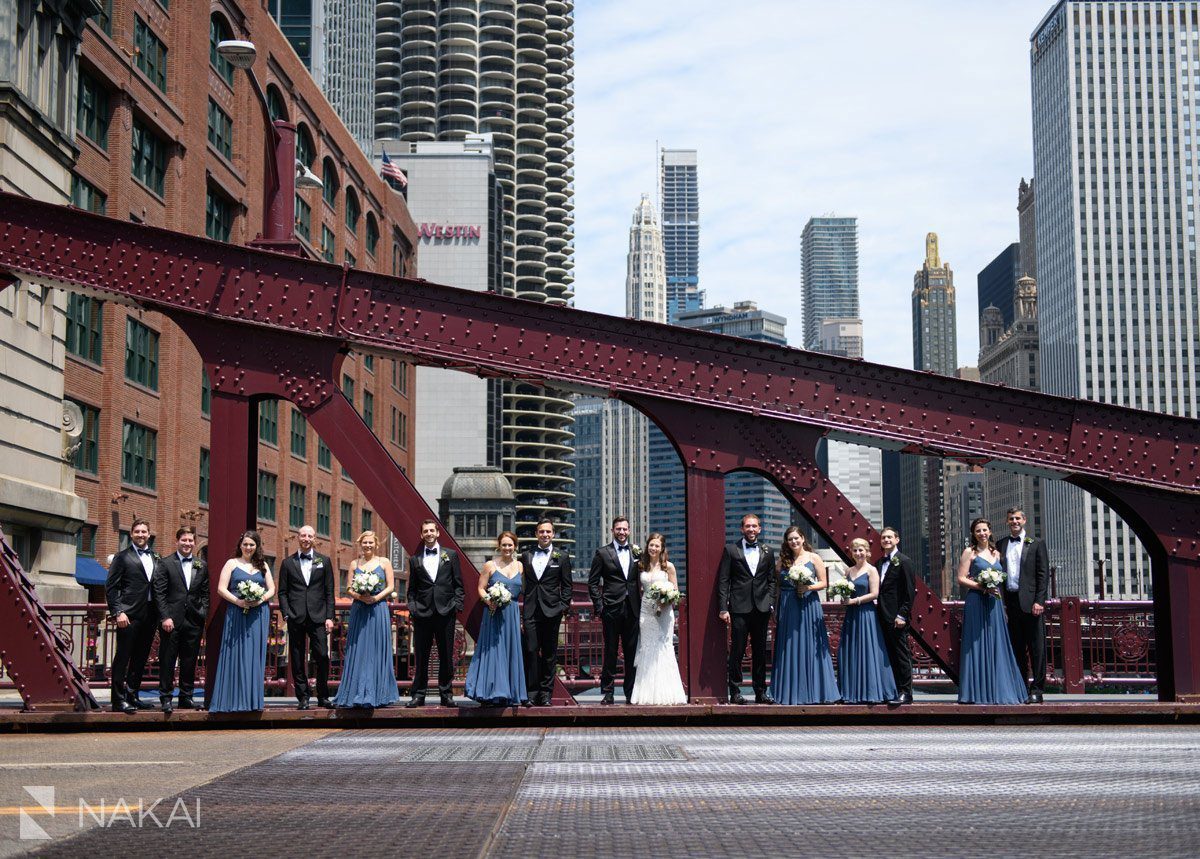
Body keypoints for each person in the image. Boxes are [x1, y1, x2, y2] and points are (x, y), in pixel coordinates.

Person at [956, 517, 1029, 705]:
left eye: (984, 530)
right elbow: (961, 578)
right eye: (978, 530)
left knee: (997, 643)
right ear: (973, 534)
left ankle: (998, 690)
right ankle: (977, 692)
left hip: (994, 603)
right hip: (976, 601)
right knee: (976, 644)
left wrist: (999, 600)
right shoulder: (969, 553)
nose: (982, 533)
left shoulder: (996, 553)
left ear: (990, 531)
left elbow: (1001, 580)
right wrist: (981, 587)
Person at [770, 526, 839, 705]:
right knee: (789, 646)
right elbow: (777, 587)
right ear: (786, 542)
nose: (793, 542)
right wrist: (776, 609)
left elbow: (824, 583)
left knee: (811, 645)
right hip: (788, 606)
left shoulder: (814, 557)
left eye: (796, 538)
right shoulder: (782, 561)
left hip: (808, 605)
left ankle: (817, 692)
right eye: (790, 539)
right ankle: (789, 692)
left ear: (802, 538)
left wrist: (807, 587)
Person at [208, 530, 274, 713]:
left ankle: (252, 702)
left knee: (254, 655)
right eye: (245, 544)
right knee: (234, 653)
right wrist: (239, 601)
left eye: (252, 544)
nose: (248, 547)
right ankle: (231, 701)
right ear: (240, 545)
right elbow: (221, 589)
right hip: (237, 613)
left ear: (257, 546)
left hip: (257, 615)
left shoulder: (263, 565)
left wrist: (259, 599)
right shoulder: (231, 563)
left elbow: (272, 588)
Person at [334, 530, 399, 709]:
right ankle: (355, 692)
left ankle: (379, 694)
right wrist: (360, 597)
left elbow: (391, 586)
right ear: (360, 544)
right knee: (358, 648)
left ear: (376, 544)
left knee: (378, 649)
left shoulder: (384, 562)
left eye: (371, 542)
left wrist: (376, 598)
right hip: (360, 609)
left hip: (378, 609)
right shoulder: (355, 563)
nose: (368, 545)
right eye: (365, 543)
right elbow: (348, 588)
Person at [717, 514, 778, 705]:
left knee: (760, 651)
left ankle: (761, 692)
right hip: (739, 607)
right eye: (747, 526)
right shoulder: (730, 550)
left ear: (760, 529)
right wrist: (722, 608)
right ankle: (735, 691)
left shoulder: (768, 551)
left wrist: (770, 603)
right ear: (742, 529)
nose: (751, 529)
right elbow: (723, 580)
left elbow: (772, 581)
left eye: (754, 526)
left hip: (761, 608)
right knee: (737, 650)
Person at [277, 525, 336, 709]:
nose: (306, 538)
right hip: (295, 616)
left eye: (310, 536)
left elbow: (329, 592)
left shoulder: (324, 561)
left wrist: (329, 617)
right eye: (303, 535)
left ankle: (323, 695)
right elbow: (282, 592)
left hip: (318, 616)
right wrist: (286, 614)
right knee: (296, 657)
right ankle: (303, 697)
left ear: (314, 538)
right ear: (298, 537)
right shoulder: (288, 563)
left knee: (322, 656)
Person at [406, 519, 464, 708]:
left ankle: (446, 694)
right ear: (421, 535)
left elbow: (458, 585)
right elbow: (412, 589)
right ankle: (418, 695)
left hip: (445, 612)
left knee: (446, 656)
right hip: (422, 614)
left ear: (438, 533)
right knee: (421, 656)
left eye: (432, 530)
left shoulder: (451, 555)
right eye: (425, 531)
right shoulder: (414, 559)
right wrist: (413, 608)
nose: (429, 534)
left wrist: (456, 605)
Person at [465, 532, 527, 706]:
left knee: (511, 652)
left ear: (515, 546)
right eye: (504, 545)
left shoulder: (520, 566)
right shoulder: (489, 565)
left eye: (510, 545)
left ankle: (511, 693)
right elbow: (481, 588)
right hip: (494, 614)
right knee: (494, 652)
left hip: (512, 614)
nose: (507, 548)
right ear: (498, 546)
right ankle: (490, 692)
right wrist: (489, 600)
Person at [105, 518, 159, 713]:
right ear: (131, 534)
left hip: (150, 617)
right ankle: (118, 700)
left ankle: (133, 696)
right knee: (123, 657)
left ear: (149, 534)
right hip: (128, 615)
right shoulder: (122, 557)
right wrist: (118, 611)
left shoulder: (154, 556)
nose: (141, 535)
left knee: (140, 658)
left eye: (144, 532)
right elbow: (111, 587)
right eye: (137, 532)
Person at [996, 506, 1050, 704]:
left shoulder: (1036, 544)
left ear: (1024, 520)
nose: (1014, 522)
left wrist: (1039, 601)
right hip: (1009, 604)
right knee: (1016, 648)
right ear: (1007, 522)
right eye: (1011, 519)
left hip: (1031, 604)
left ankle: (1037, 690)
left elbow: (1043, 575)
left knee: (1037, 649)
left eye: (1017, 518)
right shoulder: (1001, 544)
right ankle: (1021, 688)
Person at [152, 525, 208, 714]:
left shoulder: (201, 565)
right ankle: (166, 698)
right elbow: (159, 593)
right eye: (184, 540)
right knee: (168, 660)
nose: (187, 543)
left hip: (193, 621)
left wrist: (203, 613)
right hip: (171, 621)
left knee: (189, 661)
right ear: (177, 541)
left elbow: (205, 593)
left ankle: (186, 697)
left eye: (190, 540)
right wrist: (165, 617)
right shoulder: (166, 563)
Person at [519, 518, 573, 706]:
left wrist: (562, 606)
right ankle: (531, 693)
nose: (545, 535)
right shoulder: (526, 556)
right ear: (536, 534)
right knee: (531, 650)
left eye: (548, 532)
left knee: (550, 653)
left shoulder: (562, 557)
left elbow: (567, 586)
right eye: (541, 532)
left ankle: (546, 694)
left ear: (553, 534)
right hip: (531, 610)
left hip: (552, 611)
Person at [588, 516, 641, 705]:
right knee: (610, 652)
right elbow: (593, 582)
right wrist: (599, 606)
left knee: (631, 653)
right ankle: (608, 692)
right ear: (612, 531)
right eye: (618, 529)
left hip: (633, 609)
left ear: (629, 531)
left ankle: (630, 692)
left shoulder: (637, 552)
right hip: (611, 608)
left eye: (625, 529)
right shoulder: (602, 553)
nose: (622, 532)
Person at [836, 537, 896, 704]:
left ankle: (870, 691)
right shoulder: (848, 571)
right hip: (851, 616)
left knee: (867, 650)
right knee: (851, 650)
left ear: (868, 552)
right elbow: (845, 592)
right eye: (855, 550)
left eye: (861, 550)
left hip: (866, 614)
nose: (858, 553)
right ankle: (851, 692)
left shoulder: (871, 570)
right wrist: (844, 598)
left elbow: (875, 594)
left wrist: (855, 601)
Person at [629, 533, 687, 705]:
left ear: (662, 548)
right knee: (647, 648)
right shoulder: (641, 565)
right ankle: (646, 694)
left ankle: (667, 693)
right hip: (646, 611)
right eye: (651, 545)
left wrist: (666, 600)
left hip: (664, 612)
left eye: (657, 546)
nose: (653, 548)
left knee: (663, 648)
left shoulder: (668, 567)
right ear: (647, 546)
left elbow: (676, 592)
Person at [876, 525, 917, 705]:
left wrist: (902, 615)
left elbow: (909, 592)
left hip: (896, 618)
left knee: (901, 654)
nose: (886, 540)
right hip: (881, 616)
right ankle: (892, 689)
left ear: (897, 540)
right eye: (883, 538)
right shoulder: (878, 563)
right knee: (888, 655)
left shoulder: (905, 561)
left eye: (889, 537)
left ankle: (906, 692)